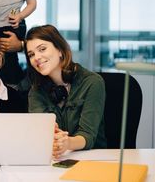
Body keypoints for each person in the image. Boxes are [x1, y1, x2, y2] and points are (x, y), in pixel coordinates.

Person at [25, 25, 106, 159]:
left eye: (42, 49)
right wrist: (51, 135)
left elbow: (88, 135)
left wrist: (67, 143)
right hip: (55, 159)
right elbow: (40, 135)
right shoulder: (36, 91)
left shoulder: (92, 83)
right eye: (31, 54)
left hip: (92, 159)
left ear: (60, 50)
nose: (36, 57)